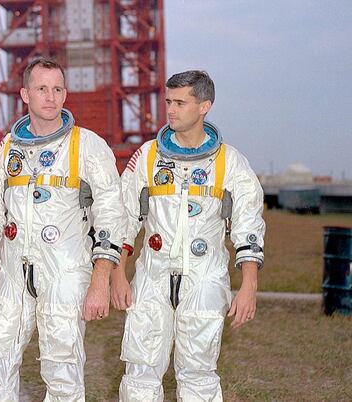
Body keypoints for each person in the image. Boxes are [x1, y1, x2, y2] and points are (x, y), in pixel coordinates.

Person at [0, 58, 126, 401]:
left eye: (57, 89)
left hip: (65, 273)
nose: (50, 97)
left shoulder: (87, 145)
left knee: (62, 371)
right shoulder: (8, 148)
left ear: (65, 94)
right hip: (12, 274)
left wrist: (100, 281)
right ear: (25, 94)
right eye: (42, 88)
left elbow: (112, 217)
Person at [112, 70, 265, 401]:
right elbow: (124, 217)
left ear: (205, 106)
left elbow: (248, 227)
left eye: (180, 102)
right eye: (168, 101)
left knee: (198, 375)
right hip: (152, 277)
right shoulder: (148, 157)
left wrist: (248, 286)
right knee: (139, 371)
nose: (171, 109)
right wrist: (118, 274)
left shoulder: (230, 163)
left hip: (204, 278)